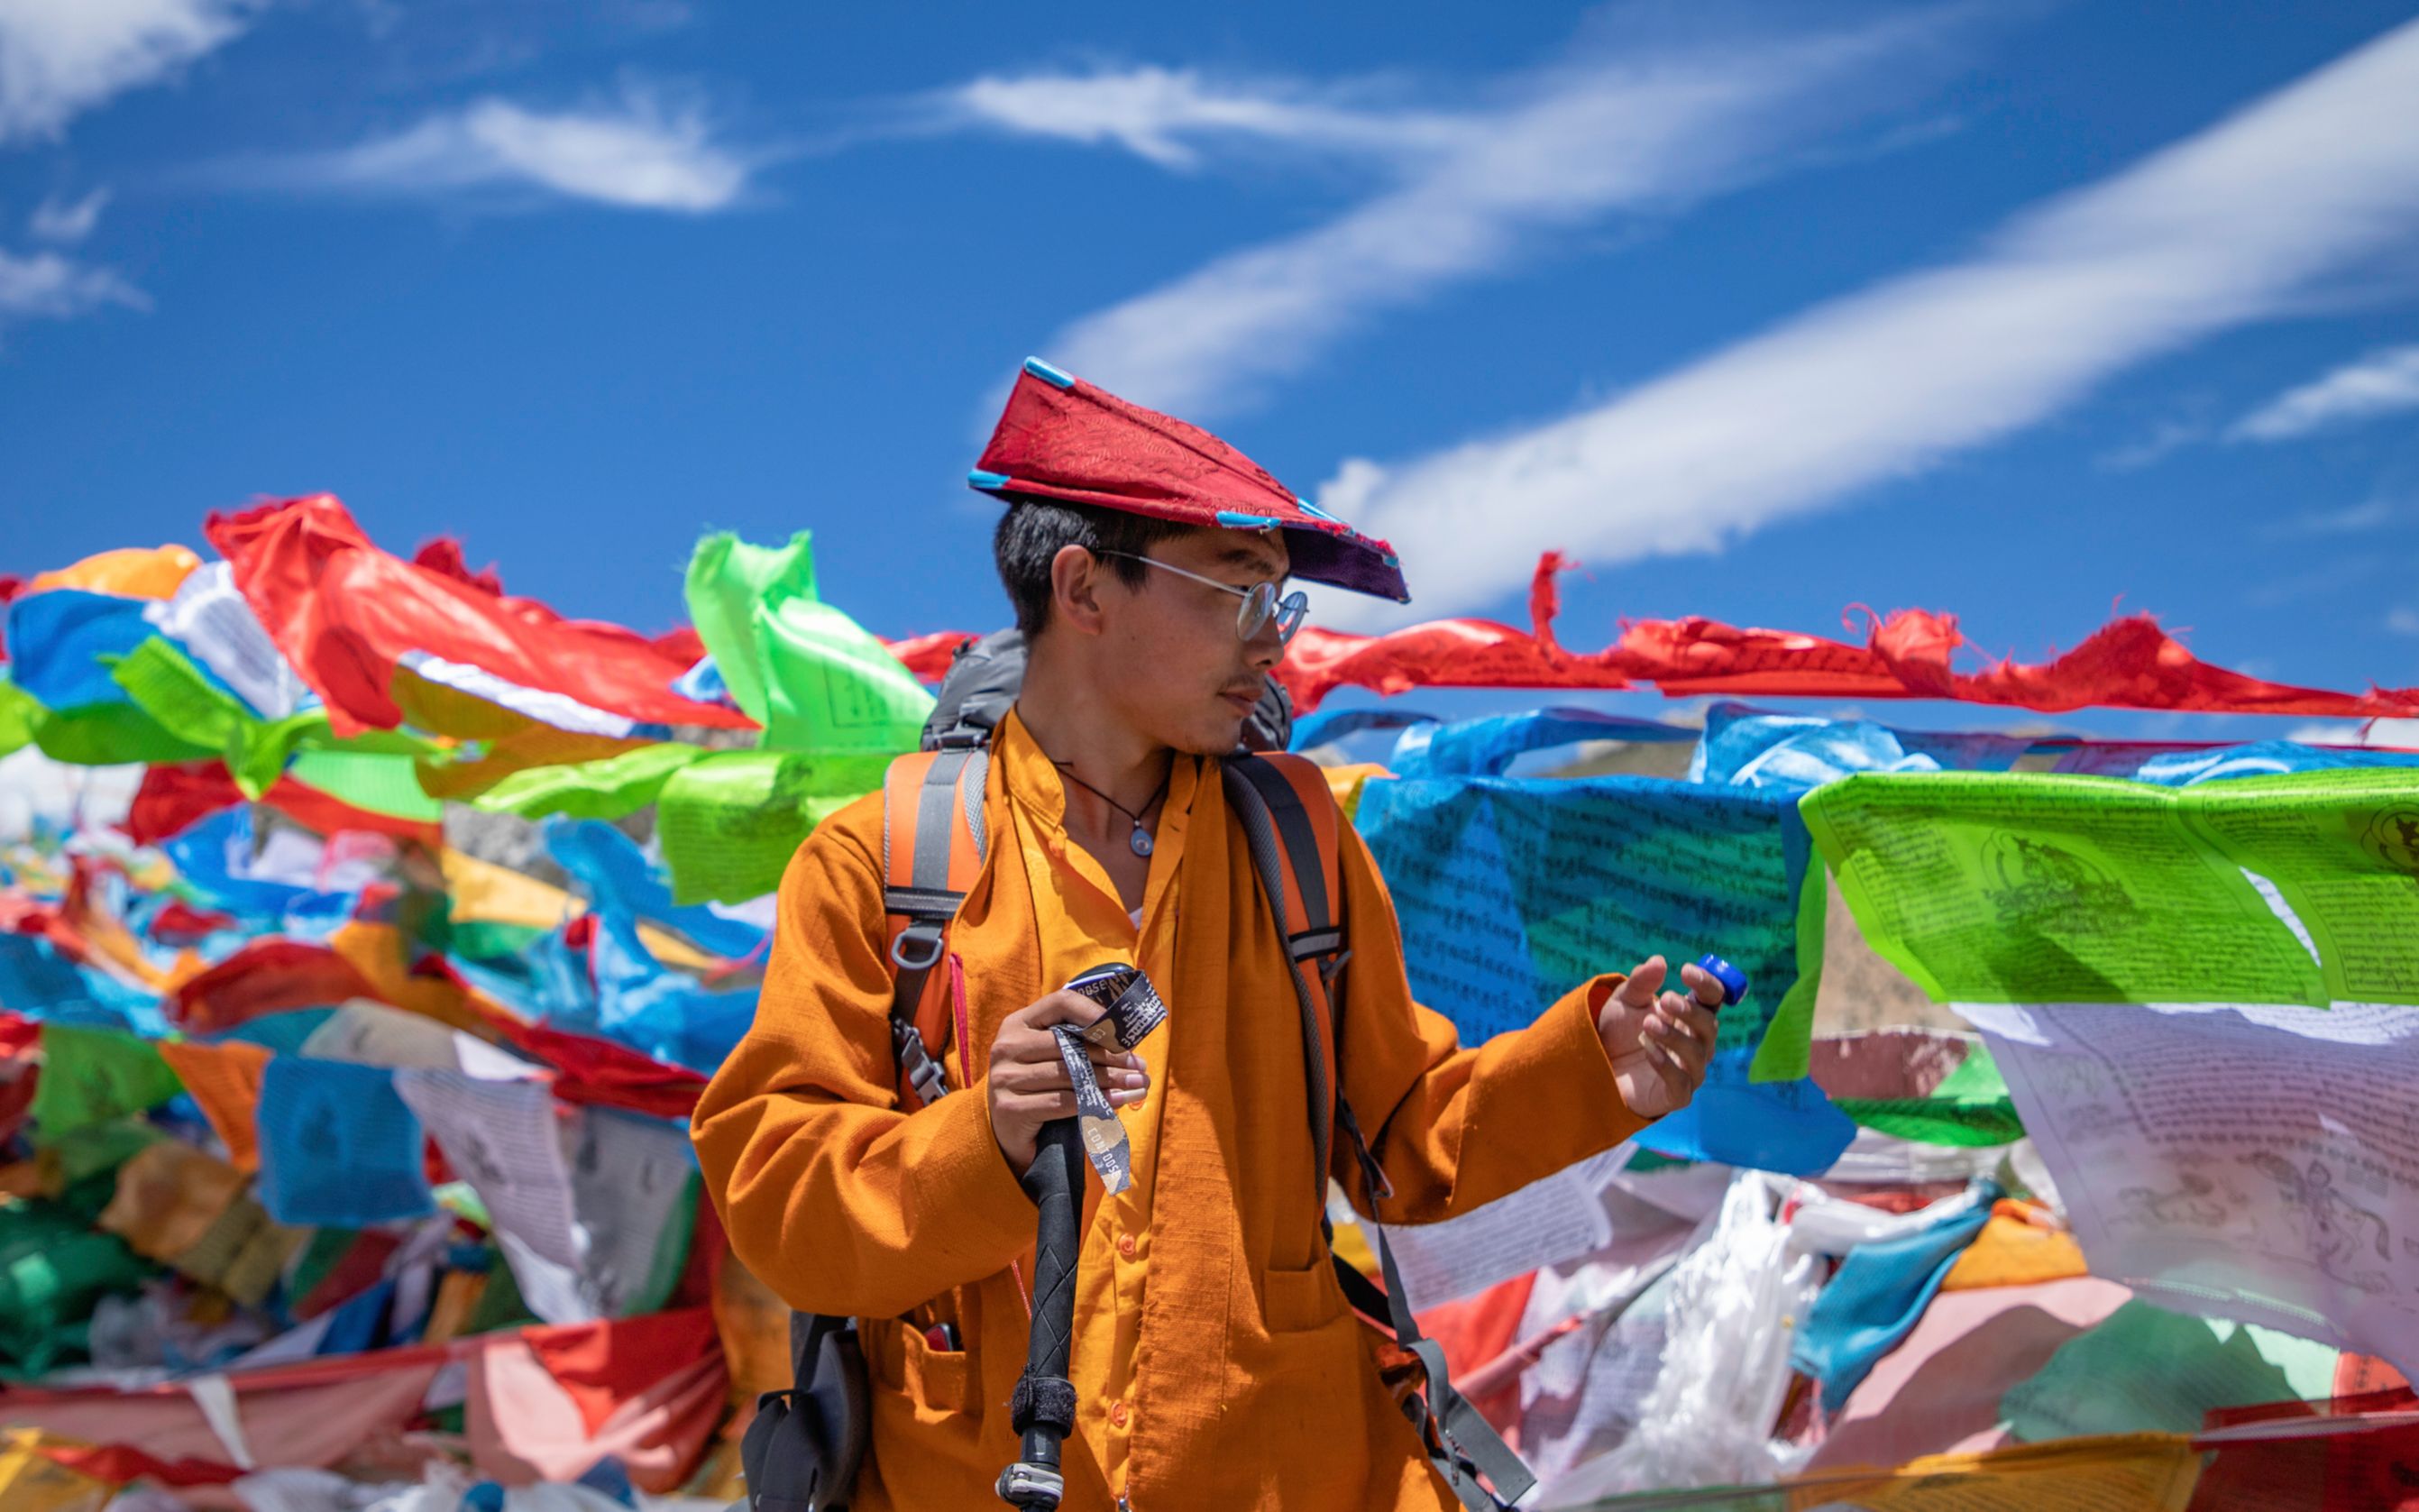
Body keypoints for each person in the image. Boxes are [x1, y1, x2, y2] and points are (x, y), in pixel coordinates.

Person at [691, 361, 1724, 1511]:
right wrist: (981, 1138)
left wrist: (1594, 1071)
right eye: (1237, 593)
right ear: (1082, 589)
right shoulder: (886, 864)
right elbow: (777, 1198)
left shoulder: (1298, 843)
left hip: (1296, 1471)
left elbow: (1399, 1134)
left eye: (1281, 605)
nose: (1272, 643)